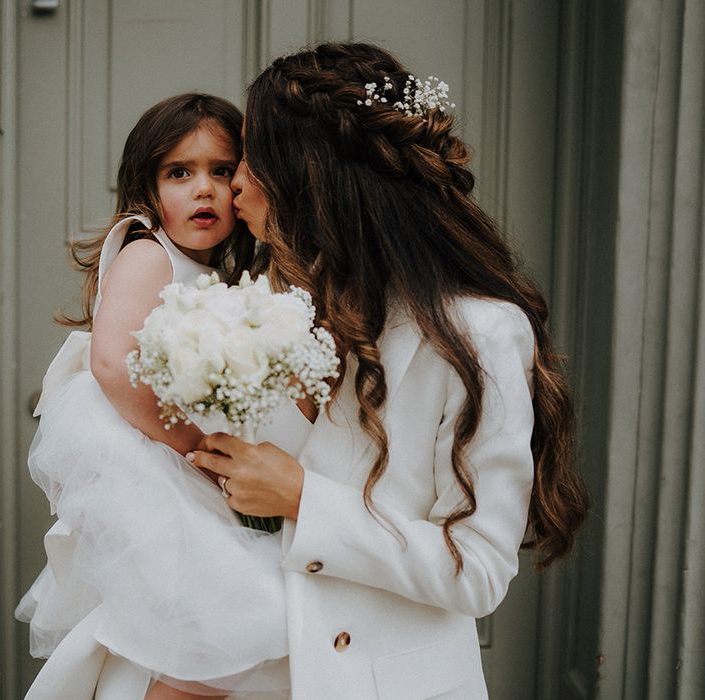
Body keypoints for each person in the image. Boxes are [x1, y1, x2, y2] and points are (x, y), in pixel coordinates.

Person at [189, 42, 589, 699]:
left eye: (254, 158)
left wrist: (303, 500)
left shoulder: (477, 334)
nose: (235, 183)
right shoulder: (260, 313)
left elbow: (479, 570)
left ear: (308, 175)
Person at [16, 93, 298, 700]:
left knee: (208, 618)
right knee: (215, 613)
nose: (205, 189)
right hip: (138, 455)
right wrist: (196, 445)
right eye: (180, 172)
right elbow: (113, 363)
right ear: (147, 188)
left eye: (222, 171)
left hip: (171, 451)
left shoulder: (218, 273)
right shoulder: (148, 253)